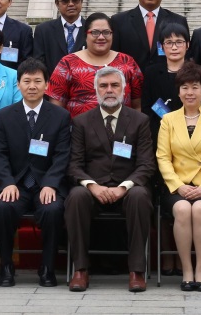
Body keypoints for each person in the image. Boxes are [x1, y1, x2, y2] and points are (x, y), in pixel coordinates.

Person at [65, 67, 156, 293]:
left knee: (140, 196)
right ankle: (80, 270)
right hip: (93, 190)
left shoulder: (139, 120)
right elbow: (74, 165)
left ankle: (136, 271)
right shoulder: (81, 122)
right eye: (103, 86)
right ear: (95, 89)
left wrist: (123, 187)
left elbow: (146, 164)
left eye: (114, 85)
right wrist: (93, 186)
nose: (109, 90)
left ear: (124, 90)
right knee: (75, 196)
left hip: (127, 189)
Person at [0, 58, 71, 288]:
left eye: (38, 81)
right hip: (15, 183)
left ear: (47, 85)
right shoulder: (5, 116)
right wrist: (6, 182)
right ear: (18, 85)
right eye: (27, 81)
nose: (32, 86)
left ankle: (47, 267)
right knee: (2, 208)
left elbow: (63, 154)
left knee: (53, 209)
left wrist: (51, 183)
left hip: (46, 183)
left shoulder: (60, 116)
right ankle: (6, 266)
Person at [156, 62, 201, 292]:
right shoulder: (168, 120)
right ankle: (187, 270)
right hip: (176, 188)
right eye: (185, 87)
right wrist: (178, 186)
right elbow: (163, 158)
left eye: (195, 87)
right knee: (182, 209)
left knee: (198, 209)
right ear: (178, 92)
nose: (190, 92)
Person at [46, 12, 144, 117]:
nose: (101, 37)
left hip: (122, 129)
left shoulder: (127, 62)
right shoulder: (68, 63)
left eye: (106, 32)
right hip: (78, 131)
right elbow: (56, 107)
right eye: (95, 32)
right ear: (85, 35)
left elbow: (136, 105)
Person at [111, 0, 190, 71]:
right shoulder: (118, 21)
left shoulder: (178, 21)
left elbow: (187, 57)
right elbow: (113, 57)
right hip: (130, 83)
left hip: (166, 83)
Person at [31, 0, 88, 77]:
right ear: (57, 3)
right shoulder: (44, 30)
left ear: (82, 1)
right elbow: (39, 63)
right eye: (65, 1)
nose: (71, 4)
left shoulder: (91, 29)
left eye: (75, 0)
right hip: (52, 89)